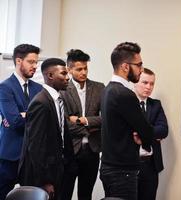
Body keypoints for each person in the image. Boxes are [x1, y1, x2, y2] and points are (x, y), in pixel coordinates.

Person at [100, 42, 153, 200]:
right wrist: (143, 138)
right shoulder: (125, 94)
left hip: (110, 166)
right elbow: (146, 130)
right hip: (122, 171)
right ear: (125, 66)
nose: (141, 69)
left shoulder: (107, 89)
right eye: (139, 65)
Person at [18, 58, 74, 200]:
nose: (68, 77)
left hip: (57, 169)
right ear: (50, 76)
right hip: (42, 176)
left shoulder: (57, 100)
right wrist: (45, 181)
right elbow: (37, 146)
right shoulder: (41, 103)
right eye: (63, 73)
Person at [60, 49, 105, 200]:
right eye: (79, 69)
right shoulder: (62, 90)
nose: (84, 72)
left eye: (86, 68)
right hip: (70, 151)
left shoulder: (99, 88)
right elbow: (64, 124)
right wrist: (91, 127)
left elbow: (106, 118)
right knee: (64, 193)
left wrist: (82, 120)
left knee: (86, 195)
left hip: (92, 151)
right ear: (69, 69)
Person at [0, 44, 42, 200]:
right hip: (10, 155)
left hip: (32, 156)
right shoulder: (4, 87)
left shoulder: (39, 88)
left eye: (36, 62)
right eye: (31, 62)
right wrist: (29, 117)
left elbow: (43, 120)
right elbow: (15, 121)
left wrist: (24, 115)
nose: (35, 66)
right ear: (19, 61)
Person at [133, 68, 168, 200]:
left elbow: (164, 130)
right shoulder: (127, 103)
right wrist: (153, 135)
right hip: (131, 164)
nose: (149, 87)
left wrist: (140, 133)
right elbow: (127, 131)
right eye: (145, 82)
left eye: (152, 84)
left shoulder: (156, 105)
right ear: (136, 82)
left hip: (151, 165)